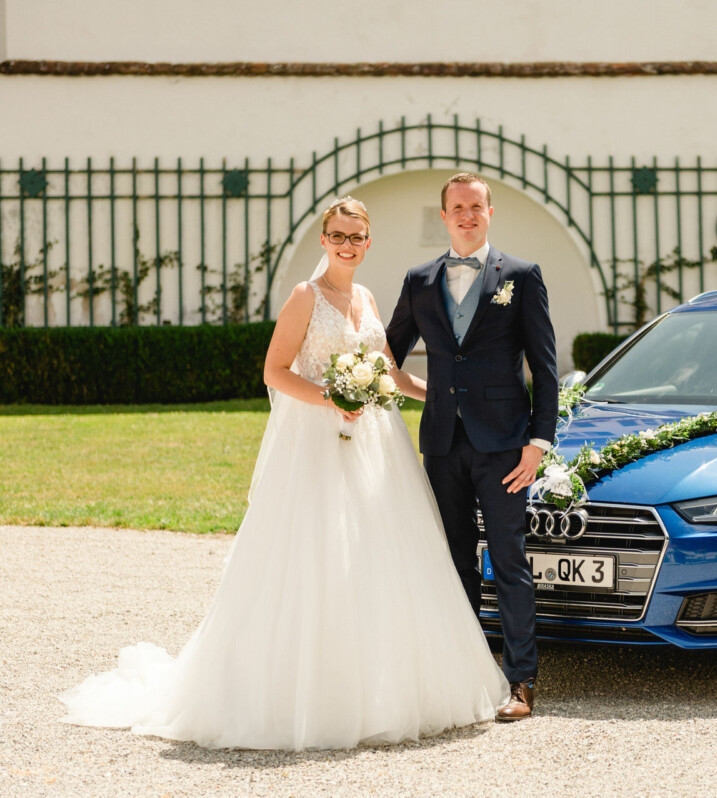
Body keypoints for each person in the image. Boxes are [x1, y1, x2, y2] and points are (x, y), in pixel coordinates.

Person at [59, 196, 509, 750]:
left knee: (383, 558)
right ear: (324, 241)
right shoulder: (305, 297)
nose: (347, 245)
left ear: (369, 244)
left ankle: (382, 690)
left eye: (356, 237)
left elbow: (388, 370)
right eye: (338, 236)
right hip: (318, 448)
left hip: (374, 448)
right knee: (315, 561)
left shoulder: (367, 298)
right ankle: (307, 696)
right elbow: (274, 371)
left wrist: (443, 396)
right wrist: (331, 398)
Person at [386, 173, 558, 721]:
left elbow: (545, 368)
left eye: (475, 206)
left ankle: (521, 682)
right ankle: (463, 677)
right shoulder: (418, 279)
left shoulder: (523, 277)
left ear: (489, 212)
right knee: (454, 561)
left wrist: (538, 441)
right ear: (444, 216)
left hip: (505, 445)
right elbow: (387, 355)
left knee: (508, 559)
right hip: (441, 443)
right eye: (456, 207)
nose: (466, 215)